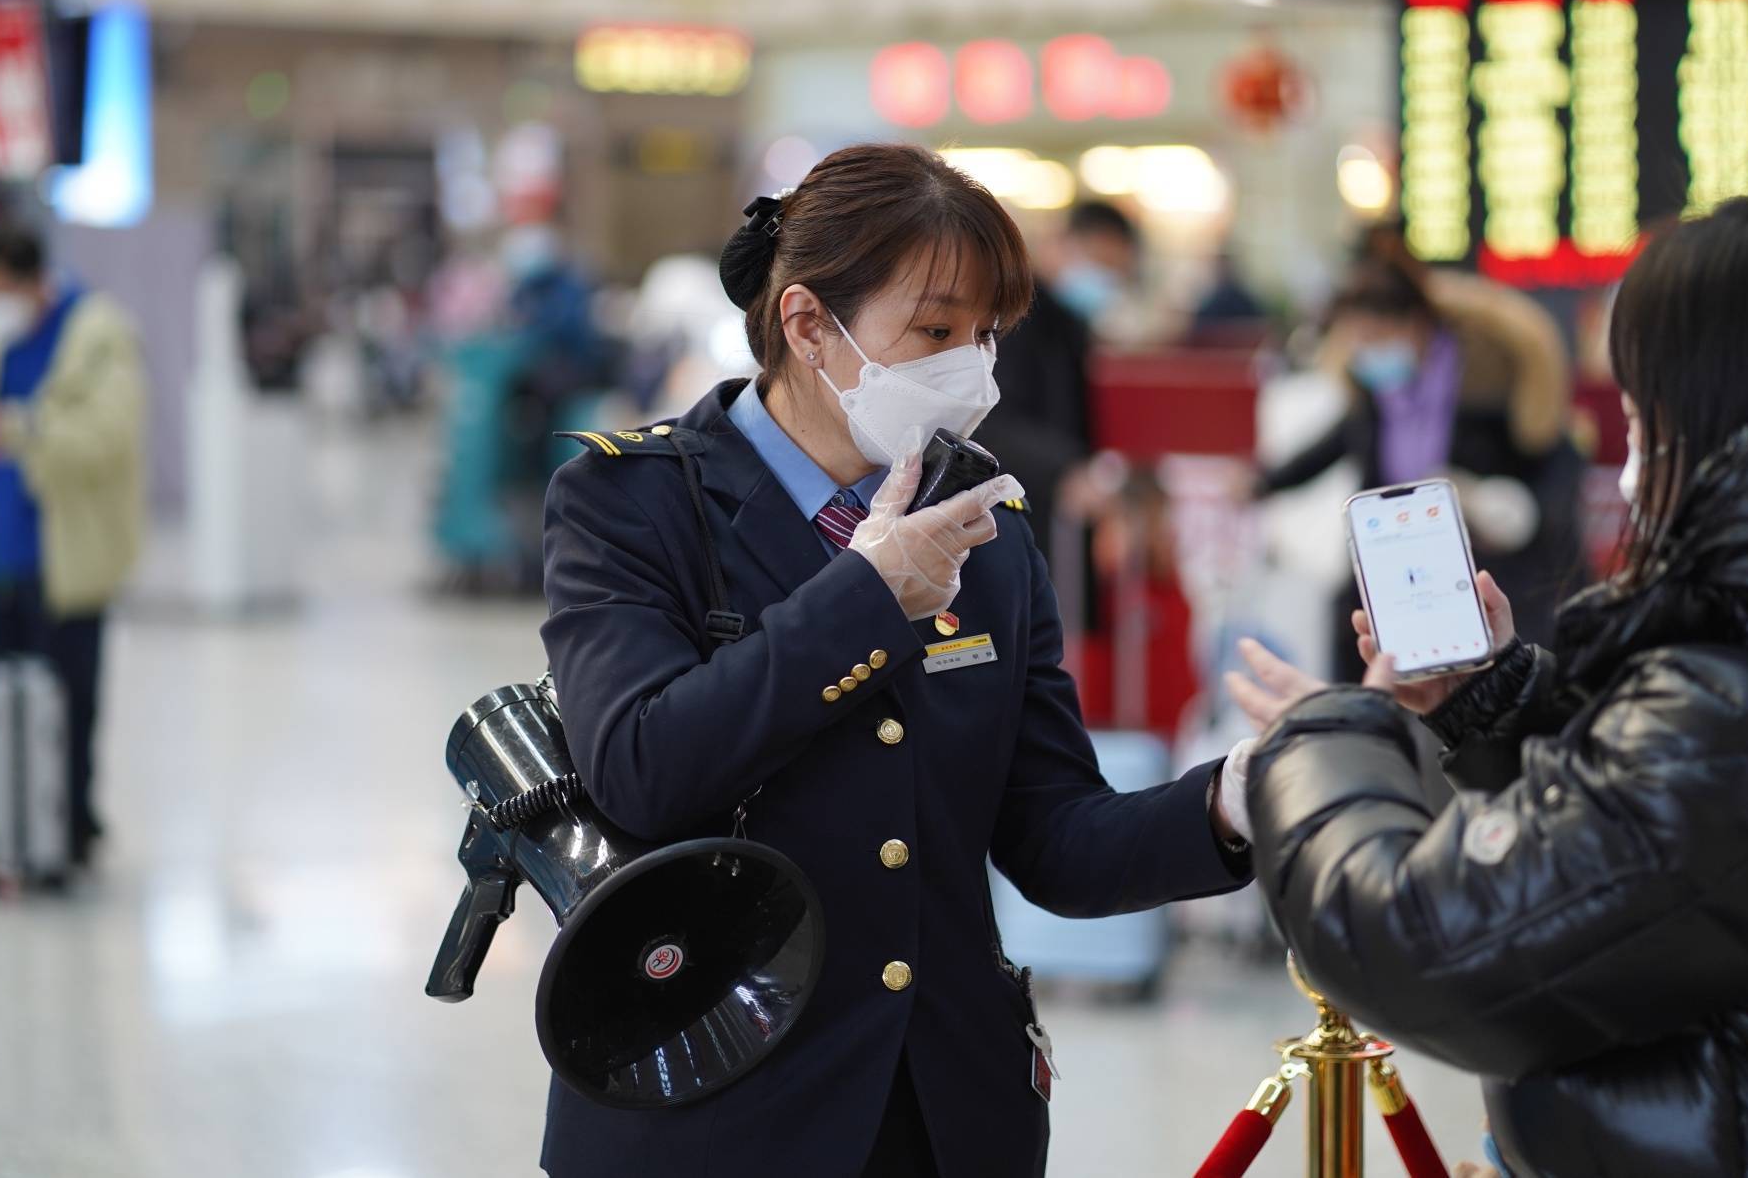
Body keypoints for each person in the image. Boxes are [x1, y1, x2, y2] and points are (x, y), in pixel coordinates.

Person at [537, 143, 1254, 1178]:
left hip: (940, 1117)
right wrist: (862, 598)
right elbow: (644, 766)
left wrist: (1236, 798)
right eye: (934, 331)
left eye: (985, 336)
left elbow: (1053, 833)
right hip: (712, 1107)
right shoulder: (634, 503)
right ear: (806, 324)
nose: (970, 369)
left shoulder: (982, 527)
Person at [1227, 191, 1748, 1177]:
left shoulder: (1725, 723)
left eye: (1641, 415)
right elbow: (1684, 849)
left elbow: (1426, 944)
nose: (1631, 459)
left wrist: (1326, 738)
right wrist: (1497, 702)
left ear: (1715, 421)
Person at [1255, 256, 1584, 679]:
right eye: (1356, 341)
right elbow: (1334, 443)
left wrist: (1498, 507)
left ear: (1414, 324)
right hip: (1398, 565)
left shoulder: (1491, 379)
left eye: (1376, 336)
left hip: (1491, 575)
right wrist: (1262, 483)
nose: (1366, 351)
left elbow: (1551, 466)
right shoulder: (1378, 391)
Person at [0, 226, 146, 869]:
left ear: (31, 281)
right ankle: (10, 830)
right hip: (2, 556)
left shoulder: (98, 334)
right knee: (5, 706)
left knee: (69, 707)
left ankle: (68, 830)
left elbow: (108, 433)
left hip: (69, 559)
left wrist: (20, 430)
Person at [974, 200, 1131, 560]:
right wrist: (1064, 469)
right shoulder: (1014, 319)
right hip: (1021, 507)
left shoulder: (1068, 324)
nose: (1102, 283)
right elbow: (993, 417)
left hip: (1060, 512)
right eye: (1100, 265)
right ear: (1065, 245)